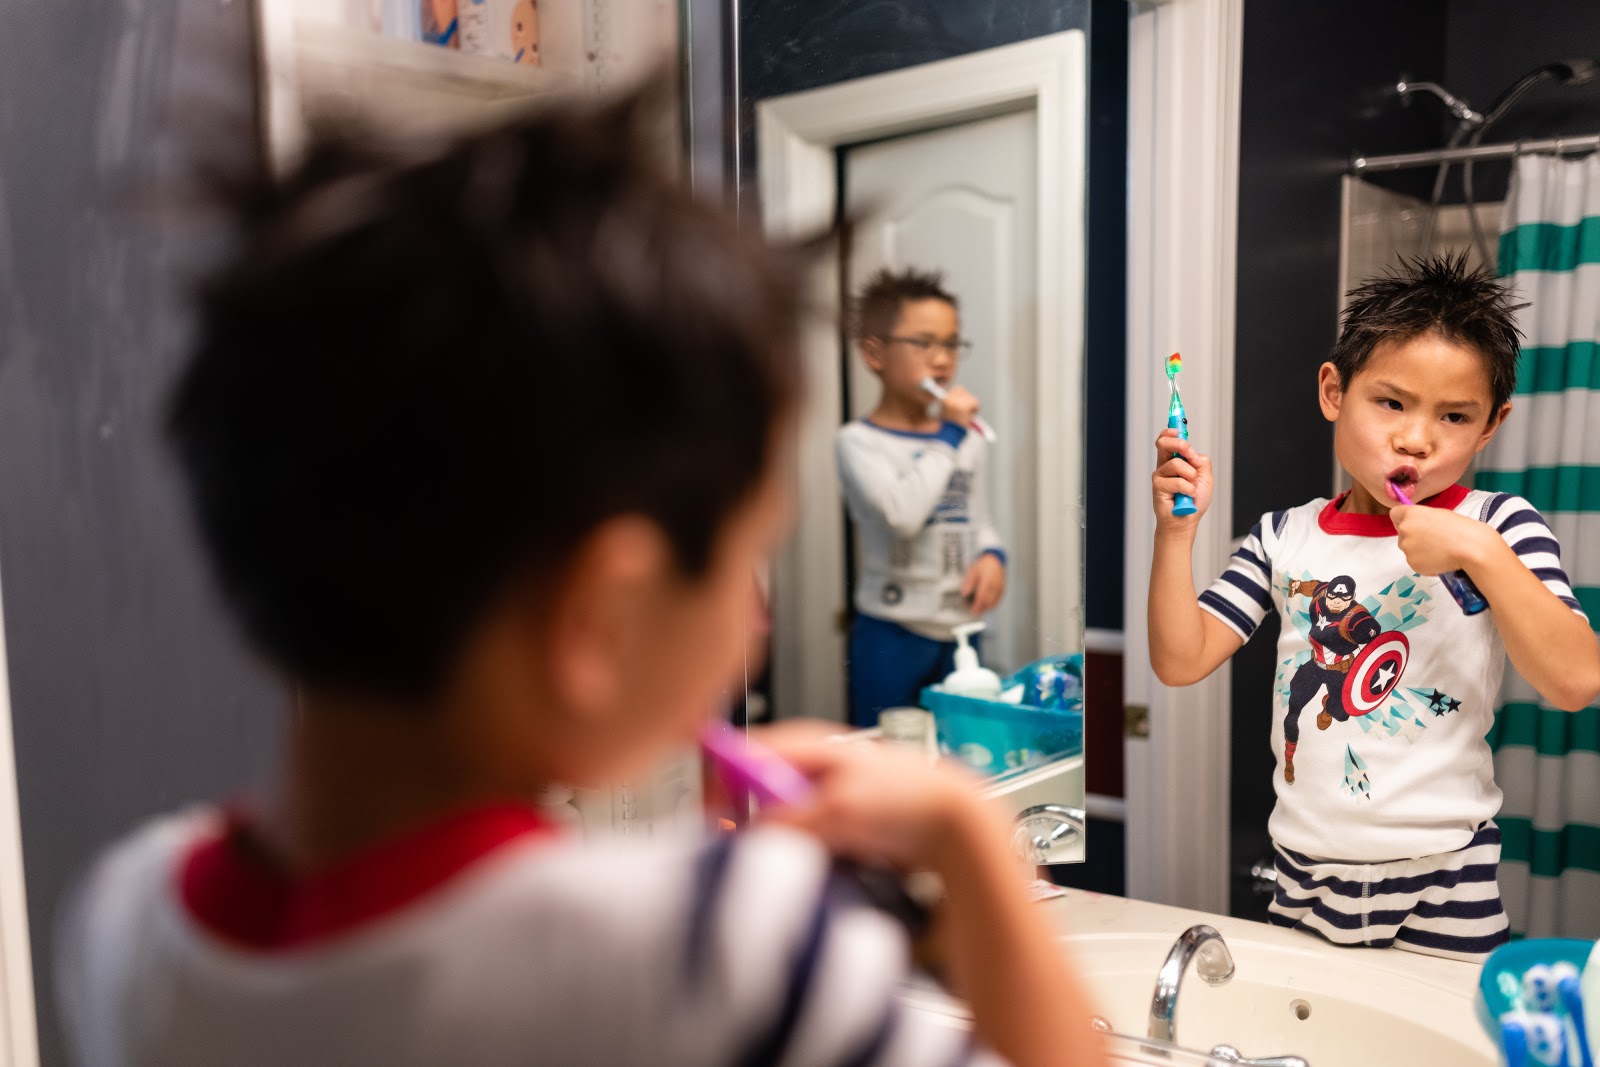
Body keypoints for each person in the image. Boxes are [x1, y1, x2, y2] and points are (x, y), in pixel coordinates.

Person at [55, 89, 1107, 1067]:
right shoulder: (726, 951)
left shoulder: (123, 920)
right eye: (743, 563)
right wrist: (969, 847)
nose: (755, 621)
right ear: (600, 618)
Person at [1148, 253, 1600, 962]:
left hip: (1448, 879)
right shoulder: (1283, 535)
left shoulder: (1501, 526)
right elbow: (1180, 660)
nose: (1416, 439)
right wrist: (1176, 534)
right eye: (1391, 403)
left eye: (1455, 415)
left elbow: (1575, 681)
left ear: (1491, 425)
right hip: (1301, 875)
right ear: (1334, 391)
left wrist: (1479, 551)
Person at [837, 269, 1006, 728]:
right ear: (875, 353)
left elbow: (977, 520)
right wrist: (949, 434)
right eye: (923, 343)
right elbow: (902, 516)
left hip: (961, 630)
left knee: (963, 749)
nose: (942, 359)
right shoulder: (858, 443)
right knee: (885, 753)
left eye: (951, 344)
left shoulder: (967, 438)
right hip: (890, 633)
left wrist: (993, 555)